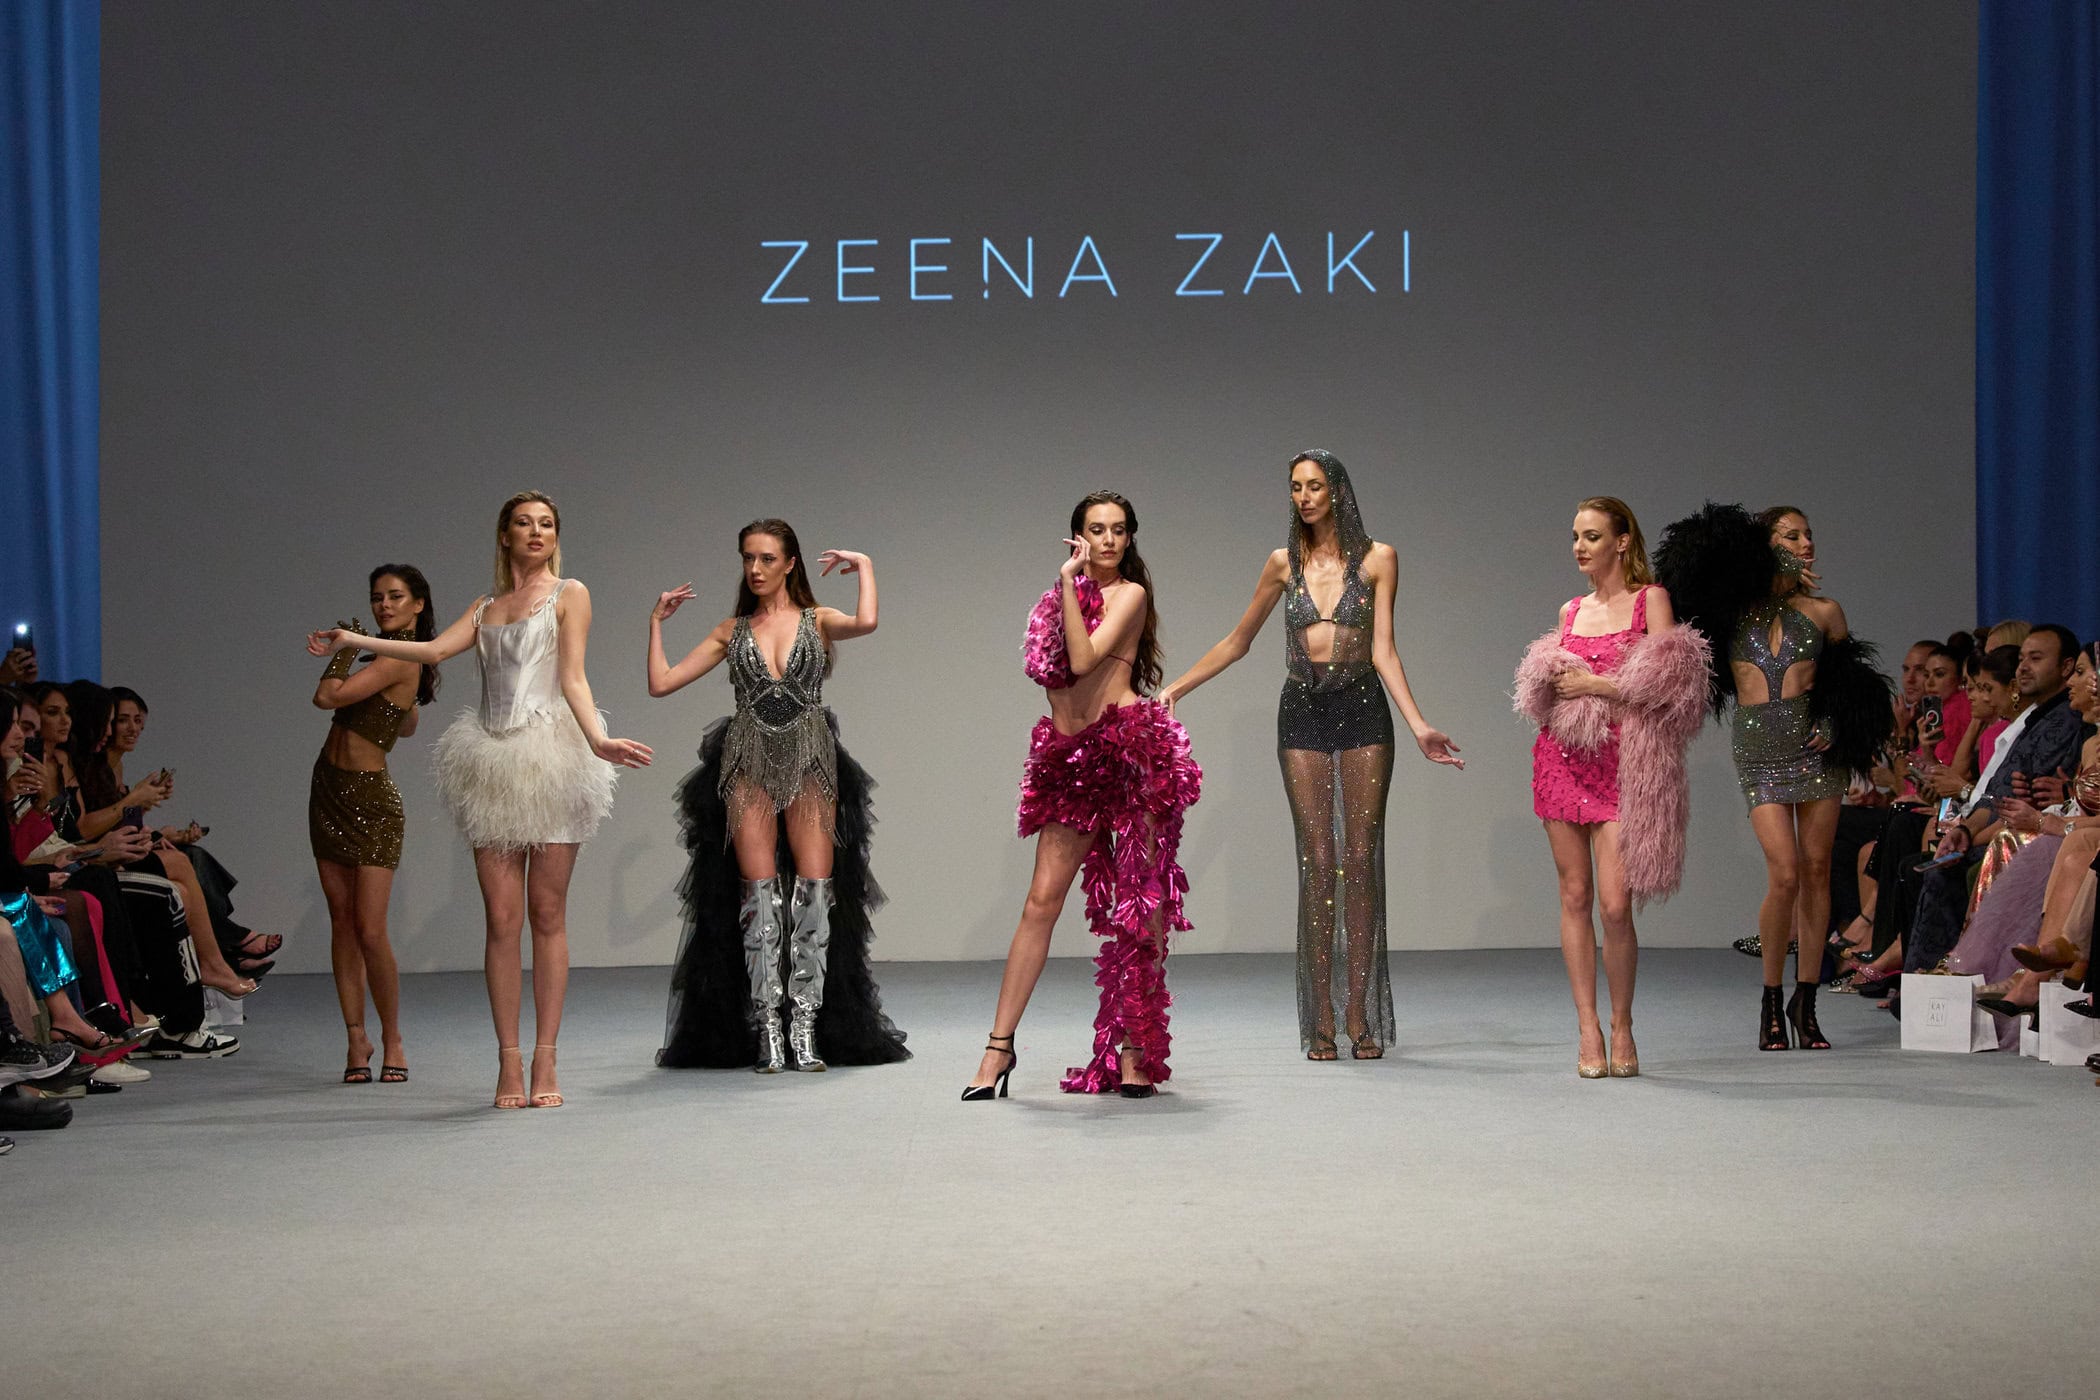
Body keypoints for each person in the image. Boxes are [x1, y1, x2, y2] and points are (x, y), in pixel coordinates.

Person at [308, 491, 650, 1108]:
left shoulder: (570, 593)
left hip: (552, 760)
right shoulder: (484, 607)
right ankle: (508, 1062)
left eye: (546, 524)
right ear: (504, 535)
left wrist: (598, 740)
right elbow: (433, 651)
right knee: (501, 919)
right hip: (492, 764)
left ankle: (546, 1058)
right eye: (524, 523)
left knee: (547, 913)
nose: (536, 532)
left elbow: (573, 677)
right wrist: (350, 640)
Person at [1158, 451, 1461, 1061]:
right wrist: (1176, 689)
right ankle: (1321, 1013)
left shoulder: (1378, 559)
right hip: (1302, 709)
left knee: (1361, 858)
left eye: (1315, 485)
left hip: (1364, 708)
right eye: (1295, 487)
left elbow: (1384, 649)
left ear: (1338, 490)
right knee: (1318, 861)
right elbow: (1238, 641)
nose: (1304, 496)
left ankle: (1359, 1011)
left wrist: (1419, 724)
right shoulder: (1282, 564)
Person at [963, 491, 1201, 1100]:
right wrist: (1066, 588)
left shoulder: (1131, 595)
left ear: (1129, 538)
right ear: (1077, 537)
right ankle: (998, 1048)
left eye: (1119, 530)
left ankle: (1135, 1049)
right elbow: (1050, 674)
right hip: (1069, 763)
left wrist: (1069, 584)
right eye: (1097, 529)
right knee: (1040, 903)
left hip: (1128, 754)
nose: (1109, 540)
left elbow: (1085, 657)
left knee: (1139, 904)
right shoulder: (1052, 602)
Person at [648, 522, 908, 1073]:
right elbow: (662, 682)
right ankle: (768, 1028)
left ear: (790, 563)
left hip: (810, 757)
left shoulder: (818, 620)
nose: (756, 569)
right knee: (758, 896)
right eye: (748, 558)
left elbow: (867, 621)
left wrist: (864, 565)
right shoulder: (732, 630)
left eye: (767, 558)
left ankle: (805, 1025)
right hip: (748, 761)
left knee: (815, 890)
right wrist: (656, 625)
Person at [1656, 503, 1893, 1050]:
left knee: (1815, 870)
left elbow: (1848, 686)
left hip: (1817, 753)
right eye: (1791, 536)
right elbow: (1684, 583)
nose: (1806, 544)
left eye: (1809, 535)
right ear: (1763, 544)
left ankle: (1804, 1001)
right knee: (1784, 873)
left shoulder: (1826, 611)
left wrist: (1834, 721)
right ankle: (1769, 995)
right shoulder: (1732, 611)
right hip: (1759, 751)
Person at [1513, 498, 1707, 1077]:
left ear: (1622, 542)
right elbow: (1553, 689)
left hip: (1625, 767)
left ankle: (1623, 1024)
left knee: (1616, 906)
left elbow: (1673, 686)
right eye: (1575, 536)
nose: (1579, 547)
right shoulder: (1571, 610)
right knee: (1574, 896)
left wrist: (1597, 684)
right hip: (1563, 761)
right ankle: (1588, 1028)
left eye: (1592, 536)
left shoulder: (1651, 601)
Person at [308, 565, 439, 1084]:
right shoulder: (392, 657)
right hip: (328, 791)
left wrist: (343, 650)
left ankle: (393, 1037)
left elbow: (327, 697)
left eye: (395, 596)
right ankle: (355, 1037)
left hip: (372, 802)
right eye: (377, 597)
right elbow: (407, 726)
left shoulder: (400, 655)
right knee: (341, 921)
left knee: (370, 927)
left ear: (418, 605)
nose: (384, 605)